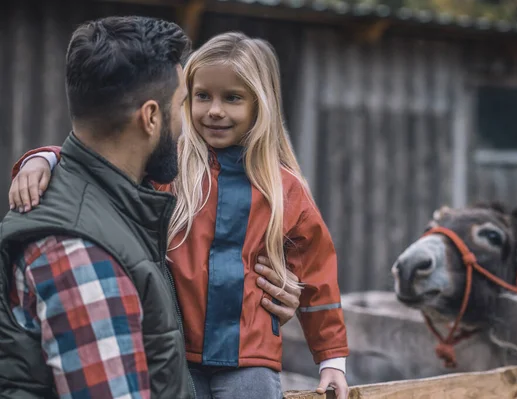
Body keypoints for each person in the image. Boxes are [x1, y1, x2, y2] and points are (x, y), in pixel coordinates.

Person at [9, 32, 349, 399]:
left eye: (232, 98)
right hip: (175, 355)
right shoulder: (170, 170)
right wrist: (45, 158)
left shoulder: (284, 188)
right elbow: (102, 160)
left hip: (248, 359)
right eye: (202, 96)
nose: (214, 110)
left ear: (260, 105)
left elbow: (318, 280)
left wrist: (331, 360)